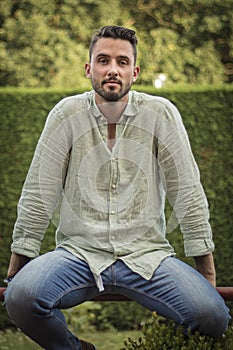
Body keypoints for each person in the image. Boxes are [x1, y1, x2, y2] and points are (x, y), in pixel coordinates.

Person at [4, 25, 230, 349]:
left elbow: (188, 194)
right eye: (103, 60)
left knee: (213, 316)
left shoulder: (161, 114)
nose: (113, 69)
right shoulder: (65, 114)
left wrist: (207, 278)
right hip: (78, 255)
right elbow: (38, 195)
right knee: (21, 297)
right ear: (88, 68)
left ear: (135, 72)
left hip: (147, 257)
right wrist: (16, 275)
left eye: (122, 62)